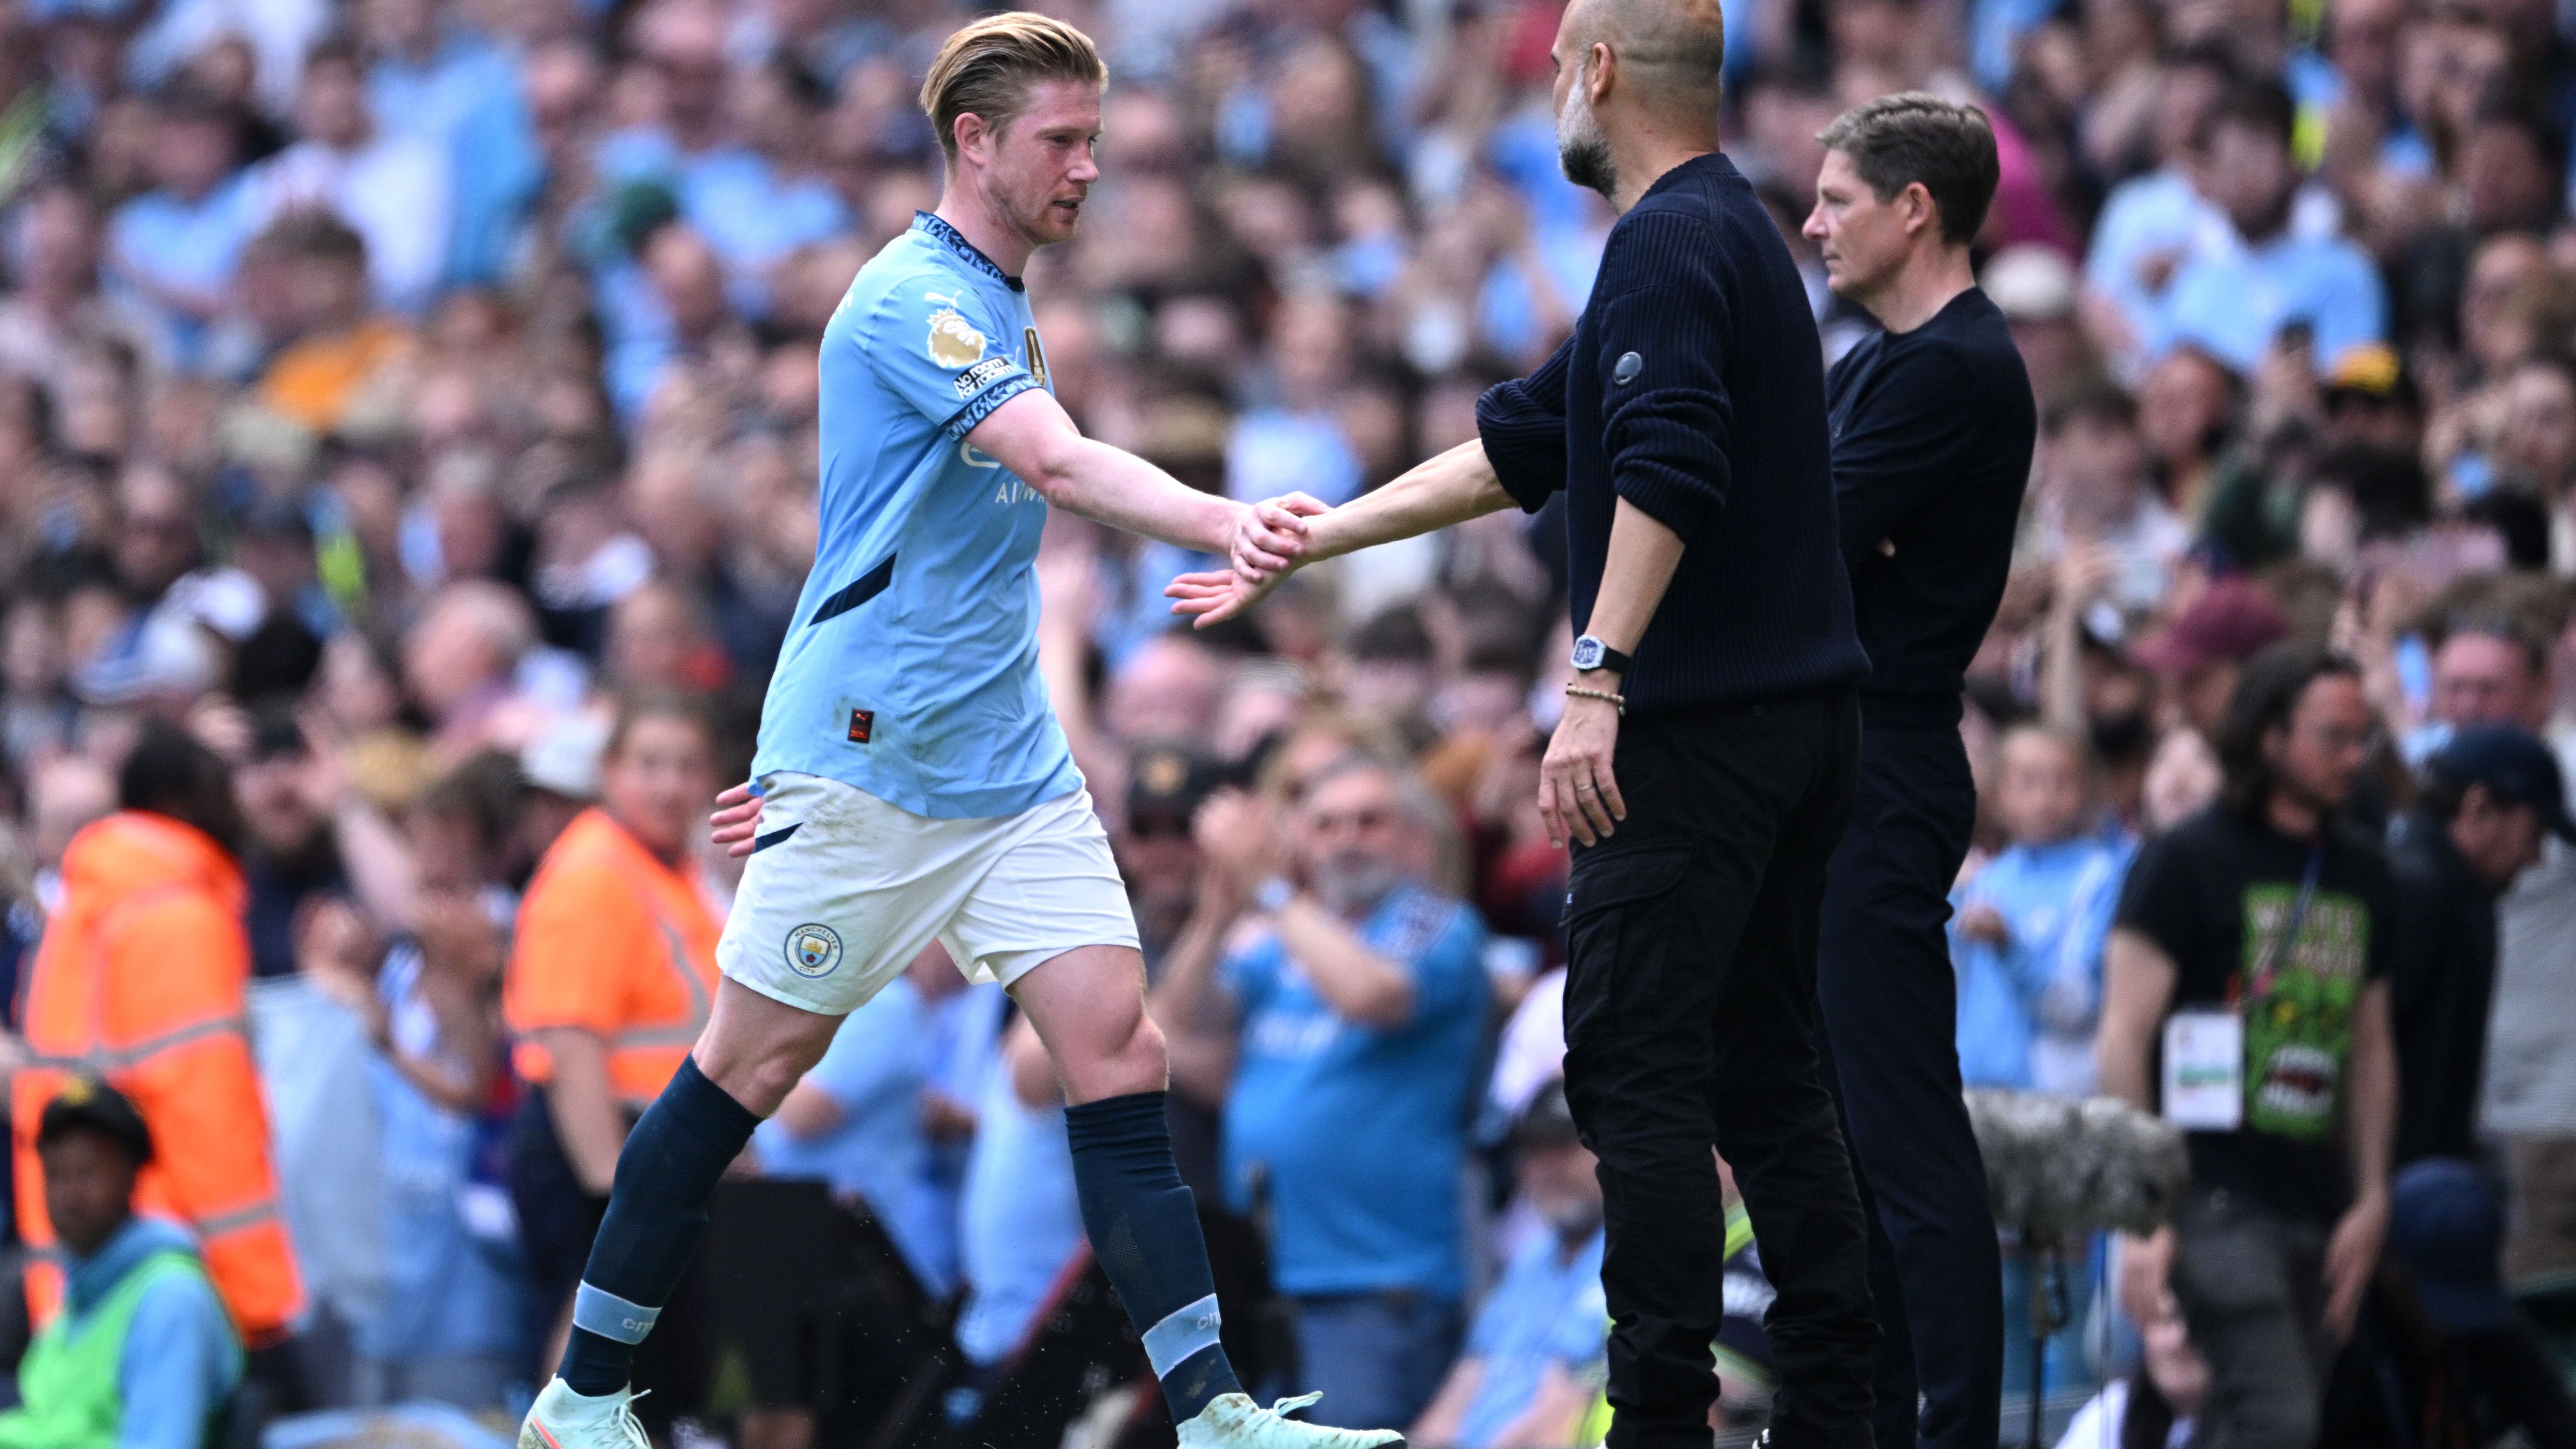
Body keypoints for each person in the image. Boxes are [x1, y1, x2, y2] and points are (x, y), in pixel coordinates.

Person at [519, 16, 1389, 1449]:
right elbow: (1048, 454)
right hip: (866, 757)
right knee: (750, 1064)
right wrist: (1227, 517)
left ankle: (1215, 1408)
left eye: (1095, 138)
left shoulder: (997, 293)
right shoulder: (910, 299)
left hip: (1008, 761)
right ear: (973, 143)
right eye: (1062, 139)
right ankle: (586, 1391)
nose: (1090, 166)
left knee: (1118, 1046)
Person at [1171, 0, 1888, 1439]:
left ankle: (1662, 1419)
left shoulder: (1667, 240)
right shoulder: (1723, 229)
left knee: (1633, 1067)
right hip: (1790, 727)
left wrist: (1596, 672)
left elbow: (1666, 466)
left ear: (1600, 72)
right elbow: (1527, 442)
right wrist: (1323, 535)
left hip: (1691, 737)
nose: (1553, 94)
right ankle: (1837, 1410)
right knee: (1761, 1071)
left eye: (1560, 68)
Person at [1799, 91, 2036, 1449]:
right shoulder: (1870, 360)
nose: (1813, 221)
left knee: (1897, 1129)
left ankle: (1953, 1429)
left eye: (1835, 198)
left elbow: (1790, 538)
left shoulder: (1950, 365)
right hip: (1842, 758)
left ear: (1912, 209)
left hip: (1884, 762)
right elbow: (1804, 528)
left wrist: (1812, 540)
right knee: (1836, 1136)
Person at [2098, 646, 2399, 1449]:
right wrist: (2142, 1209)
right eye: (2331, 735)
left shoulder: (2363, 869)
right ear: (2269, 737)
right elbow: (2122, 1036)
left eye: (2360, 738)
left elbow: (2369, 1044)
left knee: (2253, 1421)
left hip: (2315, 1197)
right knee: (2276, 1418)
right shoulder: (2184, 857)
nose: (2351, 757)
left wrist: (2369, 1196)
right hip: (2206, 1196)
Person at [1154, 757, 1490, 1430]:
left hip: (1375, 1282)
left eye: (1370, 820)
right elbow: (1176, 1019)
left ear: (1415, 840)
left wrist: (1274, 893)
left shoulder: (1435, 922)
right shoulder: (1283, 941)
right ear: (1302, 841)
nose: (1347, 838)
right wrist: (1217, 915)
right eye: (1326, 824)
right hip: (1271, 1276)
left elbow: (1372, 995)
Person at [10, 725, 305, 1348]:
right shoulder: (176, 916)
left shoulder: (86, 907)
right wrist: (260, 1302)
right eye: (225, 787)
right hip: (163, 1282)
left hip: (84, 1279)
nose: (241, 805)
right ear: (184, 798)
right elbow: (206, 1113)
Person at [503, 694, 725, 1422]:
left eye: (687, 767)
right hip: (596, 1146)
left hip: (651, 1146)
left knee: (630, 1349)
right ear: (608, 772)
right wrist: (609, 1185)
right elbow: (569, 1037)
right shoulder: (597, 869)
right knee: (591, 1326)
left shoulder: (668, 869)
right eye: (649, 765)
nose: (669, 785)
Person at [0, 1079, 242, 1449]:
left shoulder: (171, 1300)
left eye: (88, 1173)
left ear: (132, 1176)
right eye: (55, 1175)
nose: (70, 1195)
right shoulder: (77, 1295)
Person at [2389, 725, 2568, 1167]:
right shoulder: (2421, 896)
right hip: (2402, 1179)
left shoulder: (2460, 893)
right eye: (2533, 833)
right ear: (2479, 808)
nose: (2536, 857)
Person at [1407, 1082, 1607, 1449]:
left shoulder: (1636, 1259)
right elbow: (1459, 1394)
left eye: (1565, 1149)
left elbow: (1559, 1421)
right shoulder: (1532, 1258)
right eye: (1533, 1152)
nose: (1546, 1168)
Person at [1953, 725, 2133, 1096]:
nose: (2046, 796)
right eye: (2028, 781)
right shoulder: (1986, 880)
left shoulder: (2099, 877)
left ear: (2087, 793)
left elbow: (2078, 1005)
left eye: (2063, 781)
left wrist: (2009, 946)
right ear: (1998, 796)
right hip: (1972, 1088)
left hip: (2051, 1097)